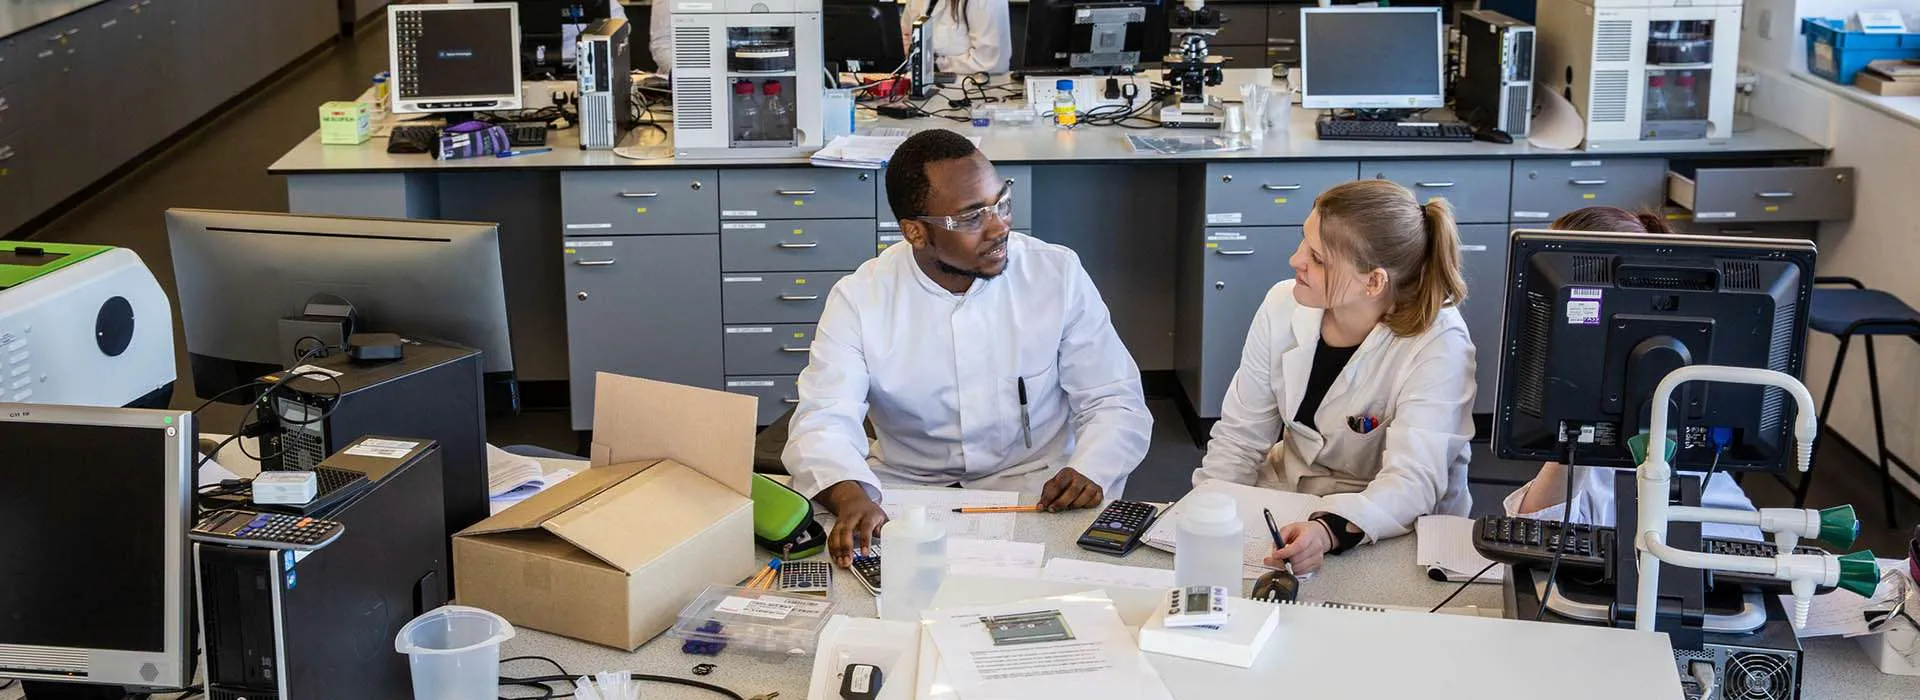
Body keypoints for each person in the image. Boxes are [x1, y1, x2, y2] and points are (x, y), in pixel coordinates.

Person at [784, 129, 1153, 566]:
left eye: (1001, 203)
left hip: (1039, 486)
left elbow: (1114, 400)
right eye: (971, 217)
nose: (999, 227)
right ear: (915, 233)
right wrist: (850, 495)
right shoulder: (860, 298)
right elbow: (822, 421)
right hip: (909, 491)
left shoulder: (1055, 274)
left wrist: (1090, 469)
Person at [1193, 180, 1476, 575]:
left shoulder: (1439, 342)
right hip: (1286, 504)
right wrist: (1199, 514)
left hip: (1391, 526)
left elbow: (1411, 482)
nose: (1295, 260)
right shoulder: (1282, 304)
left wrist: (1327, 530)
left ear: (1373, 281)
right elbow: (1240, 438)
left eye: (1318, 258)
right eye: (1302, 242)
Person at [1504, 206, 1760, 539]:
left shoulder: (1708, 480)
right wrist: (1579, 427)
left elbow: (1744, 548)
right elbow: (1529, 533)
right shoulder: (1586, 467)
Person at [901, 0, 1013, 75]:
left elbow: (991, 63)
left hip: (971, 91)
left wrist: (936, 64)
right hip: (920, 85)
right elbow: (905, 34)